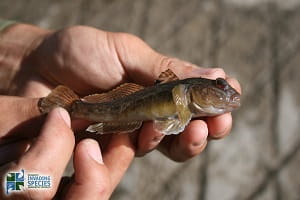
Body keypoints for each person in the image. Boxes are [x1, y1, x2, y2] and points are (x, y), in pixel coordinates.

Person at [0, 21, 241, 199]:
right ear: (197, 87)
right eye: (220, 88)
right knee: (17, 182)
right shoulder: (182, 91)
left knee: (15, 182)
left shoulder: (187, 99)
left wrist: (28, 50)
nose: (227, 96)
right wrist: (11, 181)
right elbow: (13, 182)